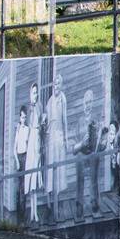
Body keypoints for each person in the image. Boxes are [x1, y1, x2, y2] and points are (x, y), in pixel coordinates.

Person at [72, 89, 100, 220]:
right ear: (83, 103)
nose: (88, 104)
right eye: (86, 102)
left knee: (95, 160)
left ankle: (95, 204)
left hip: (92, 152)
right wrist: (81, 144)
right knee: (78, 161)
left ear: (92, 103)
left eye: (90, 102)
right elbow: (74, 147)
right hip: (82, 153)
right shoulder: (79, 122)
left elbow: (100, 140)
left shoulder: (96, 120)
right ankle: (79, 206)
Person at [45, 72, 69, 221]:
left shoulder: (62, 99)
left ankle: (58, 203)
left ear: (61, 85)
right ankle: (49, 205)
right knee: (50, 170)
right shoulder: (49, 101)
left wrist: (65, 139)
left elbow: (64, 119)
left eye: (59, 83)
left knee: (59, 169)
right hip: (51, 137)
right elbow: (47, 121)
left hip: (59, 136)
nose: (56, 86)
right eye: (55, 83)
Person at [24, 83, 43, 224]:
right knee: (30, 176)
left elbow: (41, 125)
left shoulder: (39, 106)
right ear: (30, 94)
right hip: (30, 141)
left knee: (36, 177)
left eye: (36, 92)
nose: (35, 95)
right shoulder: (29, 108)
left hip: (37, 140)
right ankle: (31, 212)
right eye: (33, 92)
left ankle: (36, 213)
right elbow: (26, 128)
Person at [14, 106, 30, 223]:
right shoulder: (18, 130)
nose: (23, 119)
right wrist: (16, 161)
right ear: (20, 117)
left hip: (25, 157)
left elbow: (28, 145)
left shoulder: (27, 129)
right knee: (19, 187)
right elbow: (14, 148)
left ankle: (23, 214)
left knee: (24, 186)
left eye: (25, 117)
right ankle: (19, 213)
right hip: (19, 157)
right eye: (22, 117)